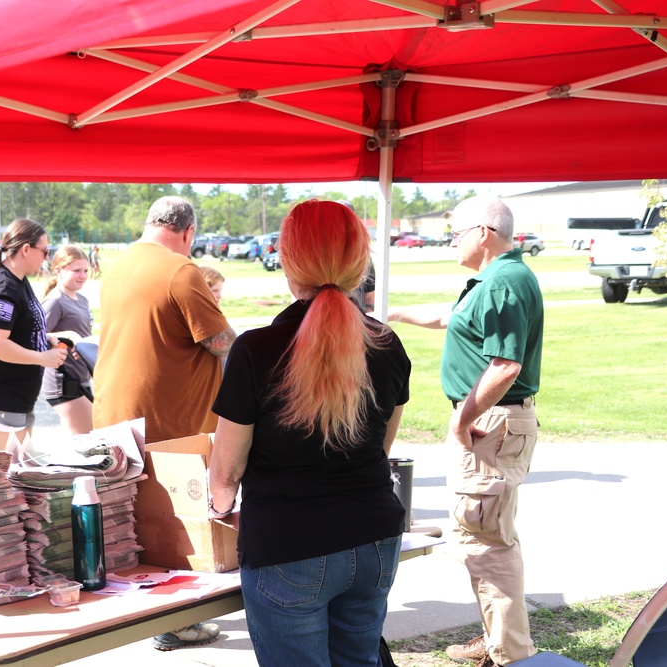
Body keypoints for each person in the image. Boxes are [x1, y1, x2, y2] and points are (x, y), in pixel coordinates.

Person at [208, 199, 411, 667]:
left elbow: (226, 472)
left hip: (289, 546)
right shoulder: (386, 342)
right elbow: (380, 446)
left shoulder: (256, 350)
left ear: (287, 260)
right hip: (375, 537)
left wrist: (219, 512)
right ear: (360, 260)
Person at [388, 196, 543, 667]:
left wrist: (461, 420)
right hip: (493, 422)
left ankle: (509, 654)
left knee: (486, 540)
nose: (449, 239)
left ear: (484, 233)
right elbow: (448, 319)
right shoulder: (493, 280)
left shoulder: (502, 283)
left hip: (488, 425)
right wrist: (390, 312)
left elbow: (506, 365)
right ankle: (497, 637)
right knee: (486, 532)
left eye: (455, 232)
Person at [93, 195, 235, 651]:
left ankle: (148, 614)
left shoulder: (117, 265)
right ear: (188, 232)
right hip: (167, 419)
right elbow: (217, 341)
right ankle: (174, 622)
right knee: (173, 526)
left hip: (116, 411)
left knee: (132, 523)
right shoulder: (181, 270)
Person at [0, 218, 68, 462]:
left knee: (21, 470)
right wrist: (42, 357)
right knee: (0, 475)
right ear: (26, 249)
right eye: (45, 250)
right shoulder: (4, 287)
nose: (47, 257)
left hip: (16, 397)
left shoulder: (18, 279)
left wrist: (42, 337)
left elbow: (17, 327)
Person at [40, 245, 94, 434]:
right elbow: (35, 338)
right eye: (76, 270)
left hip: (81, 377)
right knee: (87, 442)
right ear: (58, 271)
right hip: (62, 381)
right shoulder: (55, 301)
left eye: (85, 270)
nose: (83, 275)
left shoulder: (82, 299)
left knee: (78, 442)